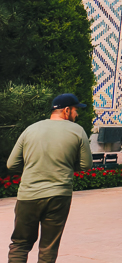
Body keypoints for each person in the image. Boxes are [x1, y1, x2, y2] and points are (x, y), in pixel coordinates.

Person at [7, 93, 92, 263]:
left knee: (20, 244)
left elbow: (11, 164)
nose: (77, 114)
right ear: (66, 110)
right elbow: (85, 165)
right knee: (48, 247)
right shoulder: (77, 131)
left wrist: (31, 169)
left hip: (28, 196)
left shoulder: (30, 129)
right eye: (76, 110)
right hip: (58, 196)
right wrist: (66, 166)